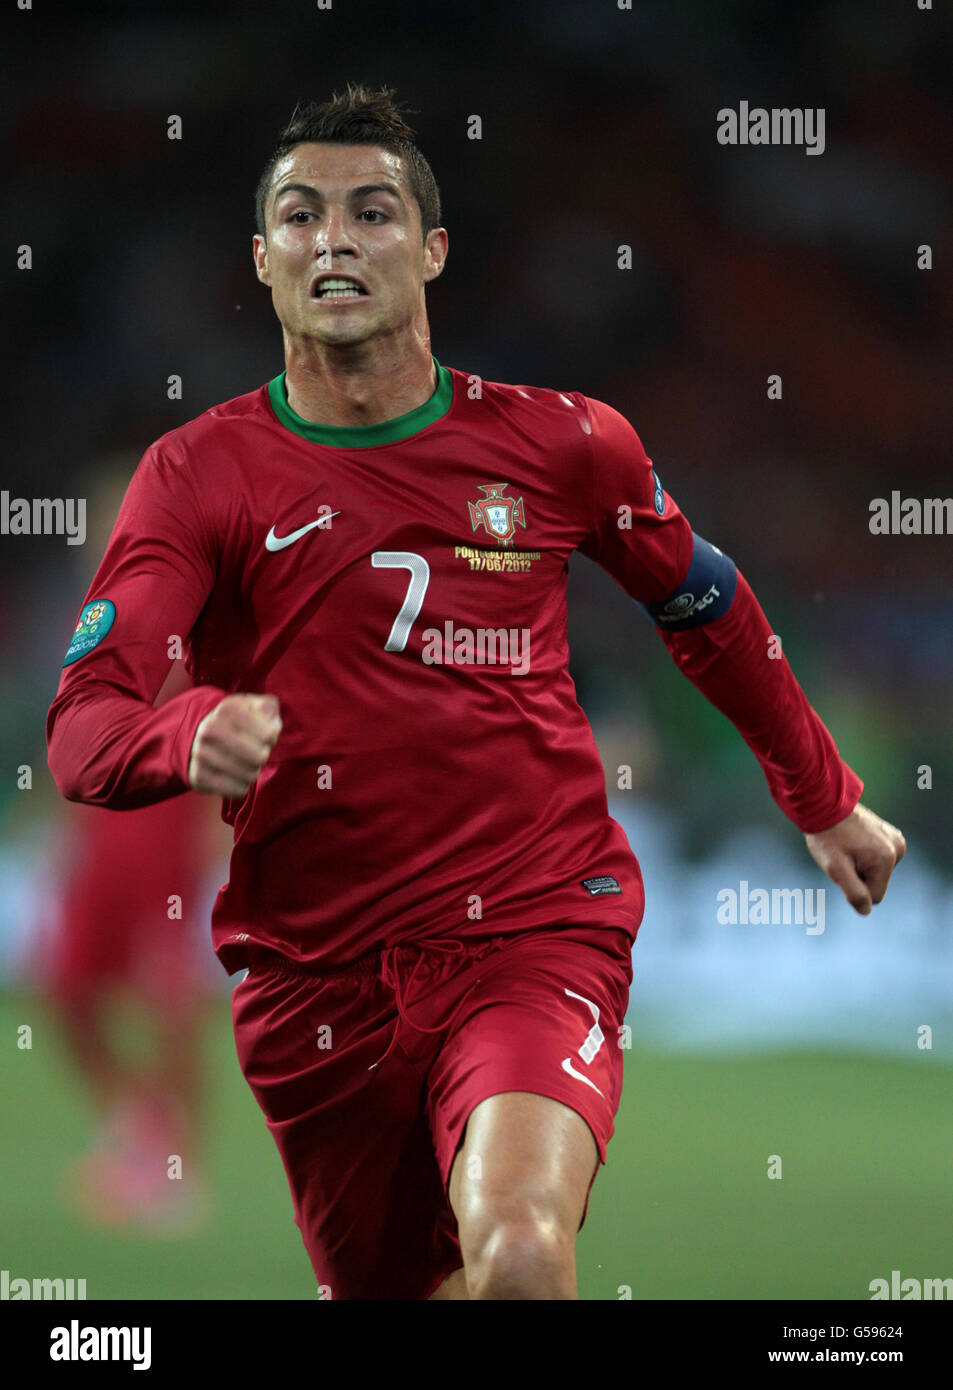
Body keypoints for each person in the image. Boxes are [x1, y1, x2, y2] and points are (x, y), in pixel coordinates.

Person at [46, 83, 905, 1300]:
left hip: (531, 922)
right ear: (262, 259)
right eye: (299, 215)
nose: (333, 238)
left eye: (372, 212)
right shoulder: (195, 478)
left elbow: (701, 604)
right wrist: (184, 731)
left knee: (515, 1247)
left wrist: (821, 796)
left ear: (431, 251)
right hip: (313, 978)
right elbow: (84, 723)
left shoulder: (565, 445)